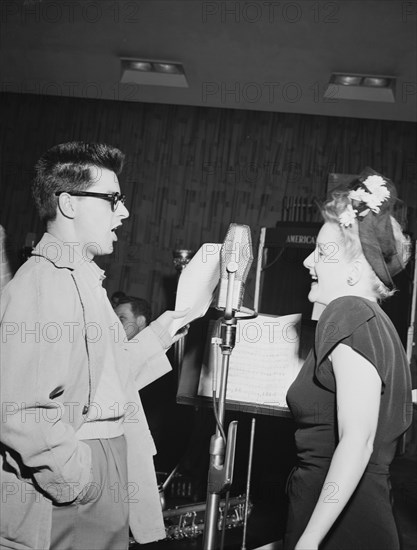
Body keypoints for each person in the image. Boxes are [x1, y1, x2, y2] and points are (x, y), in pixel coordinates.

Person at [0, 142, 188, 550]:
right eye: (112, 200)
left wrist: (173, 322)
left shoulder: (80, 278)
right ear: (68, 204)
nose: (123, 212)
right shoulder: (43, 283)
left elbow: (111, 376)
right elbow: (22, 411)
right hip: (77, 472)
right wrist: (79, 481)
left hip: (103, 457)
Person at [284, 167, 412, 550]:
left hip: (340, 528)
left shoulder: (348, 312)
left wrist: (308, 543)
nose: (308, 262)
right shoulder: (378, 324)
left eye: (321, 252)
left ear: (355, 272)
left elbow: (357, 440)